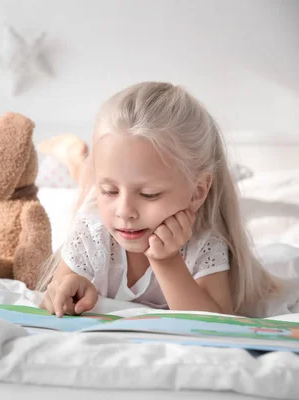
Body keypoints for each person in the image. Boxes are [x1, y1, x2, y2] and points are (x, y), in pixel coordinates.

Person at [37, 81, 280, 318]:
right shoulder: (92, 229)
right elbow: (56, 295)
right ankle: (74, 159)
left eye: (148, 194)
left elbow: (217, 323)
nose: (125, 211)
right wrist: (71, 287)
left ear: (197, 192)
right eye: (110, 191)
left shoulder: (203, 242)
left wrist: (166, 261)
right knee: (86, 181)